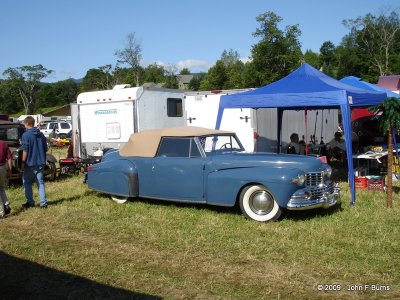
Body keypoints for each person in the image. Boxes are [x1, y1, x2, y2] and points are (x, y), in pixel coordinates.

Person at [21, 116, 48, 209]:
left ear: (27, 123)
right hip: (40, 161)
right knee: (40, 183)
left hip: (30, 163)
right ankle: (43, 203)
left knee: (27, 182)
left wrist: (23, 161)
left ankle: (30, 202)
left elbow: (25, 149)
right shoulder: (41, 135)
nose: (24, 126)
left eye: (24, 124)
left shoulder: (26, 135)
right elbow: (46, 148)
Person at [0, 139, 12, 218]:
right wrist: (9, 170)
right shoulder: (4, 143)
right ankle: (6, 205)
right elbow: (9, 158)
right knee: (1, 188)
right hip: (3, 168)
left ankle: (1, 212)